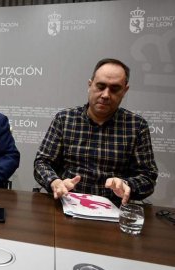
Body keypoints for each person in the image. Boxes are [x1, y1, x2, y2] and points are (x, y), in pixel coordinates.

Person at [34, 58, 158, 205]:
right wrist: (54, 182)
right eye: (100, 86)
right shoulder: (65, 119)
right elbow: (42, 162)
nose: (105, 95)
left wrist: (127, 184)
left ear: (125, 91)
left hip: (113, 208)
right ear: (90, 85)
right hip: (67, 202)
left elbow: (148, 176)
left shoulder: (136, 126)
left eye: (114, 89)